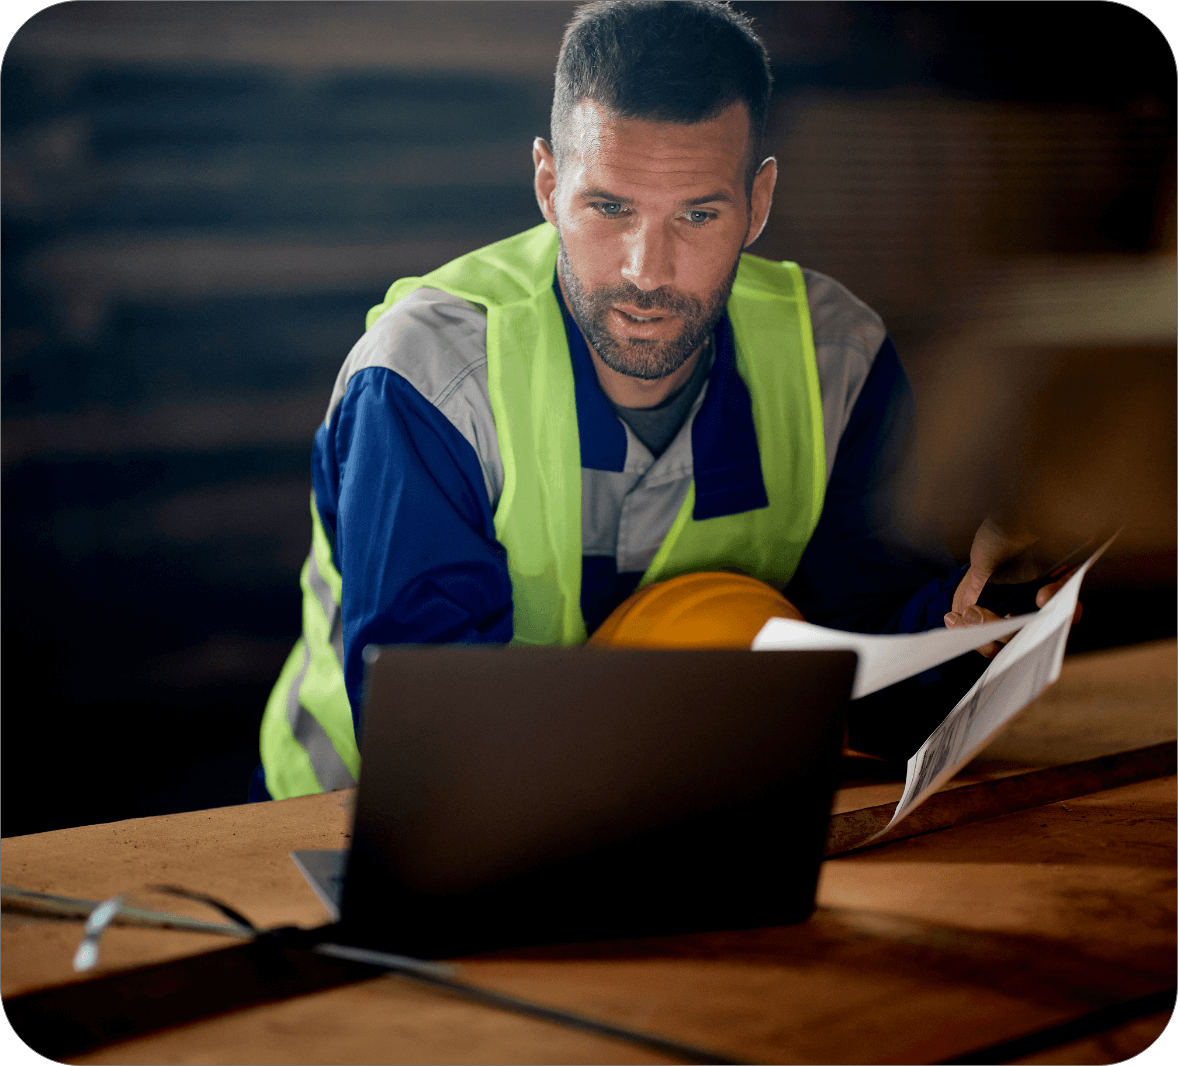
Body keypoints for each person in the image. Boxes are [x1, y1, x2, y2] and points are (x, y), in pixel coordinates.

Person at [253, 1, 1068, 802]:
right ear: (547, 183)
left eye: (698, 213)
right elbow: (431, 738)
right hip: (335, 828)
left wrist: (982, 609)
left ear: (760, 202)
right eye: (609, 207)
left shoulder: (837, 360)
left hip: (692, 809)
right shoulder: (427, 378)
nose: (647, 269)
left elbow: (864, 679)